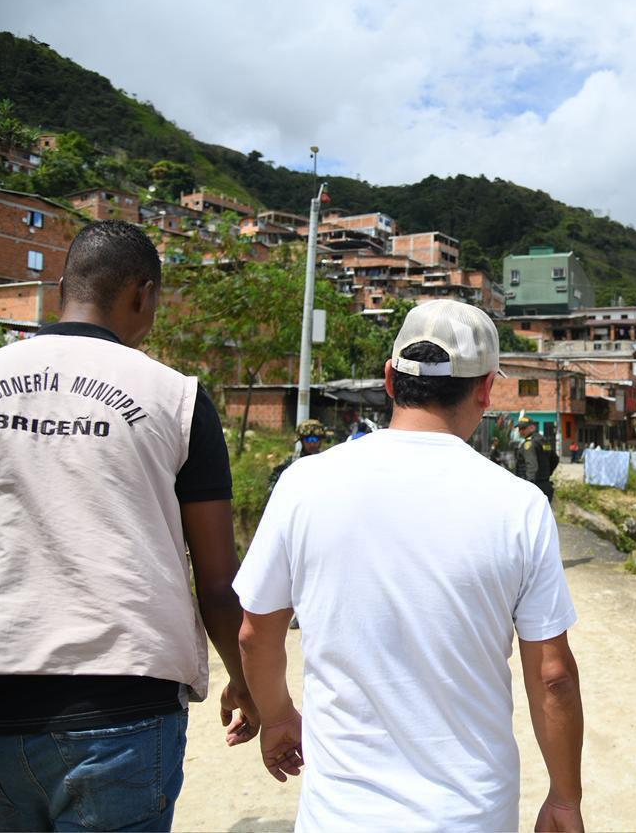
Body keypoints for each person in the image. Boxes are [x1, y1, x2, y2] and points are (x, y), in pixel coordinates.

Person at [0, 219, 257, 831]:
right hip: (124, 707)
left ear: (62, 286)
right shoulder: (178, 400)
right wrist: (244, 682)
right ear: (144, 294)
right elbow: (217, 583)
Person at [235, 299, 584, 831]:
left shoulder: (304, 483)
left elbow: (255, 635)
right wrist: (564, 797)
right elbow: (552, 676)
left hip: (340, 816)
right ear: (486, 388)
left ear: (390, 380)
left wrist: (279, 716)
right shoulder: (518, 505)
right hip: (470, 813)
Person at [269, 418, 326, 488]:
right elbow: (274, 481)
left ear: (320, 440)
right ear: (301, 441)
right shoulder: (291, 461)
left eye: (315, 439)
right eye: (308, 440)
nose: (312, 444)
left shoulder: (326, 461)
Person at [515, 413, 556, 501]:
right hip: (545, 484)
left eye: (523, 428)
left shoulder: (529, 444)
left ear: (532, 427)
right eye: (519, 428)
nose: (520, 431)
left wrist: (529, 487)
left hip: (533, 487)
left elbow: (532, 466)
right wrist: (546, 474)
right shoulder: (543, 440)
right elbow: (555, 459)